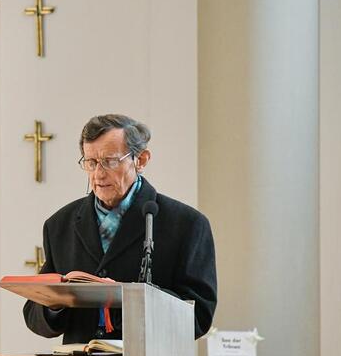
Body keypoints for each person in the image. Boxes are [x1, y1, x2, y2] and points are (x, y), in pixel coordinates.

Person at [23, 114, 217, 343]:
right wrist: (54, 305)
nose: (98, 174)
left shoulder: (187, 224)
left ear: (141, 160)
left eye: (110, 161)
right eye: (91, 162)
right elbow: (34, 315)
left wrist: (134, 300)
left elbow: (198, 317)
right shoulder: (59, 224)